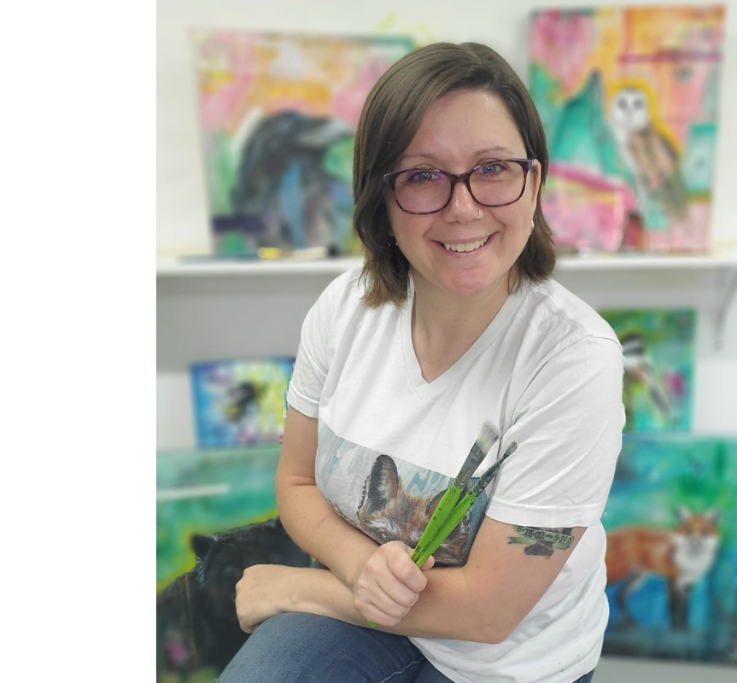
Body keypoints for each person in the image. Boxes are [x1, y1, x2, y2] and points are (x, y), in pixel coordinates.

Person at [220, 41, 625, 683]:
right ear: (379, 197)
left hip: (506, 658)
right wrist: (360, 567)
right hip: (362, 614)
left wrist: (298, 587)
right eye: (422, 176)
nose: (463, 208)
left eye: (493, 168)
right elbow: (296, 484)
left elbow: (488, 613)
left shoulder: (575, 360)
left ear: (535, 183)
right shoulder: (344, 308)